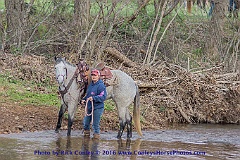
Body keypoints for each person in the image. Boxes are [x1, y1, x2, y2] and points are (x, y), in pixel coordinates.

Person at [81, 69, 107, 139]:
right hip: (89, 107)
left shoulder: (101, 86)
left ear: (98, 76)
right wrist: (84, 99)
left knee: (95, 124)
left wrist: (94, 98)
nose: (93, 77)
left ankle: (96, 140)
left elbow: (103, 96)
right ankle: (86, 139)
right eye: (92, 75)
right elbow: (88, 95)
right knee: (86, 123)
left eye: (95, 75)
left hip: (97, 108)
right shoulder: (91, 85)